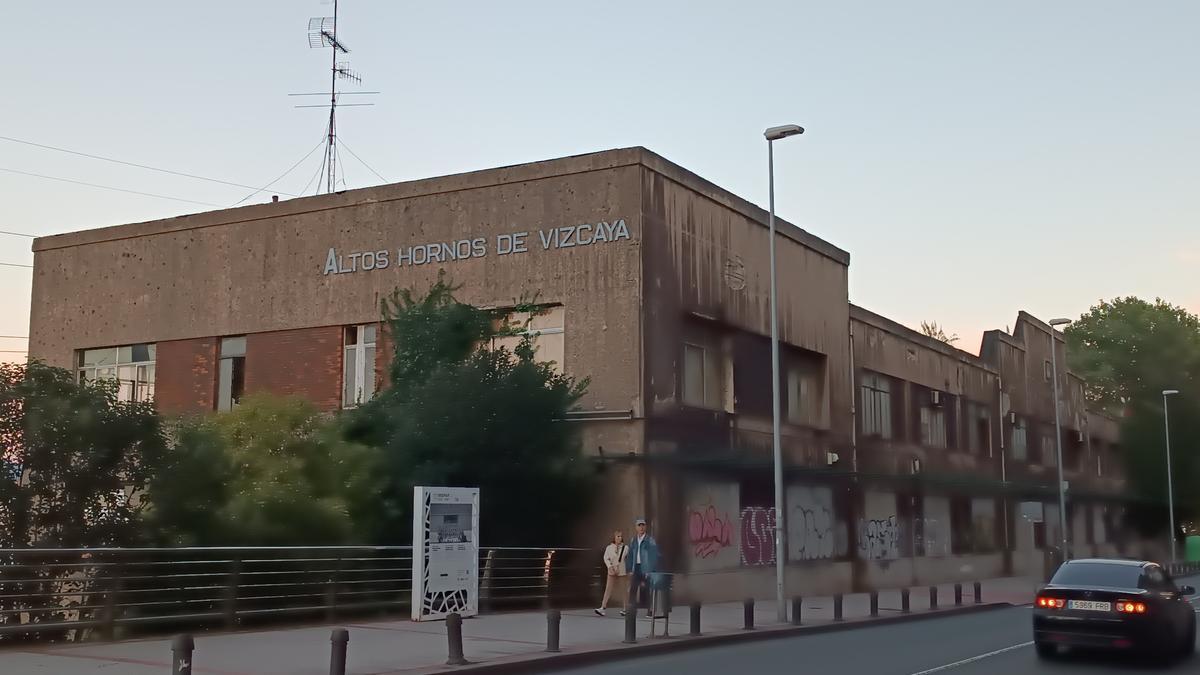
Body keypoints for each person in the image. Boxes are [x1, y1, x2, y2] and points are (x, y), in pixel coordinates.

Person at [624, 517, 659, 618]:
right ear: (636, 527)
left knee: (648, 589)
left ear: (646, 527)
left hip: (646, 568)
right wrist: (629, 569)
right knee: (633, 589)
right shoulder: (633, 540)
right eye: (639, 525)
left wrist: (651, 569)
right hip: (637, 567)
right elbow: (630, 555)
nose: (641, 527)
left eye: (643, 525)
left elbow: (654, 555)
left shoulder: (650, 540)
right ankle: (631, 610)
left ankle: (650, 610)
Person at [595, 530, 628, 616]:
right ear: (614, 537)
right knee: (608, 589)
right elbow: (606, 558)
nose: (619, 538)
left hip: (622, 570)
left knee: (624, 590)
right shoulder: (609, 548)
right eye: (618, 536)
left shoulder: (625, 548)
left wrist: (620, 567)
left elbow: (625, 558)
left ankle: (626, 608)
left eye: (621, 536)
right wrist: (610, 566)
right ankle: (603, 607)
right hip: (611, 570)